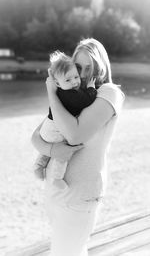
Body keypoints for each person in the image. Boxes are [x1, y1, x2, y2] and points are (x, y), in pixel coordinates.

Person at [31, 38, 125, 256]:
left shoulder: (109, 93)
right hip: (57, 192)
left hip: (80, 195)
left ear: (101, 67)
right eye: (78, 67)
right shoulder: (70, 95)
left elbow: (74, 135)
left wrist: (52, 93)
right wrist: (54, 151)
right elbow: (36, 137)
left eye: (88, 68)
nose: (81, 75)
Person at [34, 50, 97, 192]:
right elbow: (85, 101)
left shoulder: (60, 91)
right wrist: (91, 89)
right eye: (68, 80)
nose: (75, 81)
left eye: (76, 76)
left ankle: (39, 165)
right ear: (57, 82)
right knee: (62, 153)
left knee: (49, 146)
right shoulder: (69, 94)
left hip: (48, 127)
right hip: (56, 129)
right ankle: (57, 178)